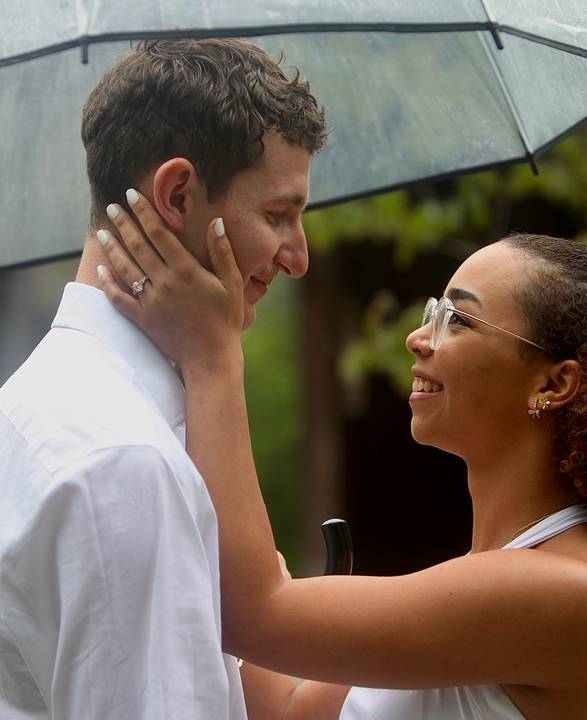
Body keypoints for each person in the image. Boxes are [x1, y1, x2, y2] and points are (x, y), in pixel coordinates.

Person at [95, 195, 587, 720]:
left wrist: (213, 354)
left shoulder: (562, 591)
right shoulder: (498, 573)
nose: (418, 339)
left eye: (460, 321)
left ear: (554, 384)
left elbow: (252, 615)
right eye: (433, 313)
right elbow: (288, 709)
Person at [0, 39, 326, 719]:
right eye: (277, 215)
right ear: (178, 194)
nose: (298, 257)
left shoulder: (37, 405)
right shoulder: (124, 461)